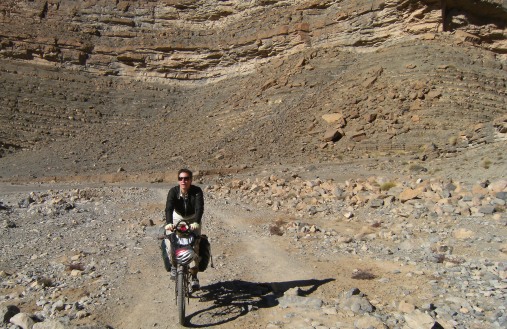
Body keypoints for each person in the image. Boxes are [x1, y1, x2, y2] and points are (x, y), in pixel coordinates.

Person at [161, 168, 204, 291]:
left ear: (191, 180)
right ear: (178, 180)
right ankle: (174, 266)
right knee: (170, 240)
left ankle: (194, 275)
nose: (183, 181)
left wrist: (196, 222)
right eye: (181, 178)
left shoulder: (197, 191)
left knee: (195, 244)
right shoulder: (173, 191)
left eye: (186, 178)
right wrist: (169, 223)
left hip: (192, 219)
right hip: (177, 217)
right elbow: (168, 208)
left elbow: (199, 208)